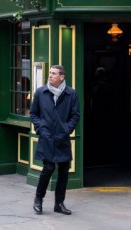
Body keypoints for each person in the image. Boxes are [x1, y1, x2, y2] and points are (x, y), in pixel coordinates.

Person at [31, 65, 80, 216]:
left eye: (53, 73)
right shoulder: (41, 92)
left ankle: (59, 203)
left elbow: (75, 115)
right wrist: (41, 129)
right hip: (46, 137)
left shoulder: (71, 93)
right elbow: (33, 114)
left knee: (64, 171)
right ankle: (38, 199)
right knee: (48, 169)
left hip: (62, 138)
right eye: (50, 73)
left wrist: (66, 130)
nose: (50, 75)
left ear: (62, 77)